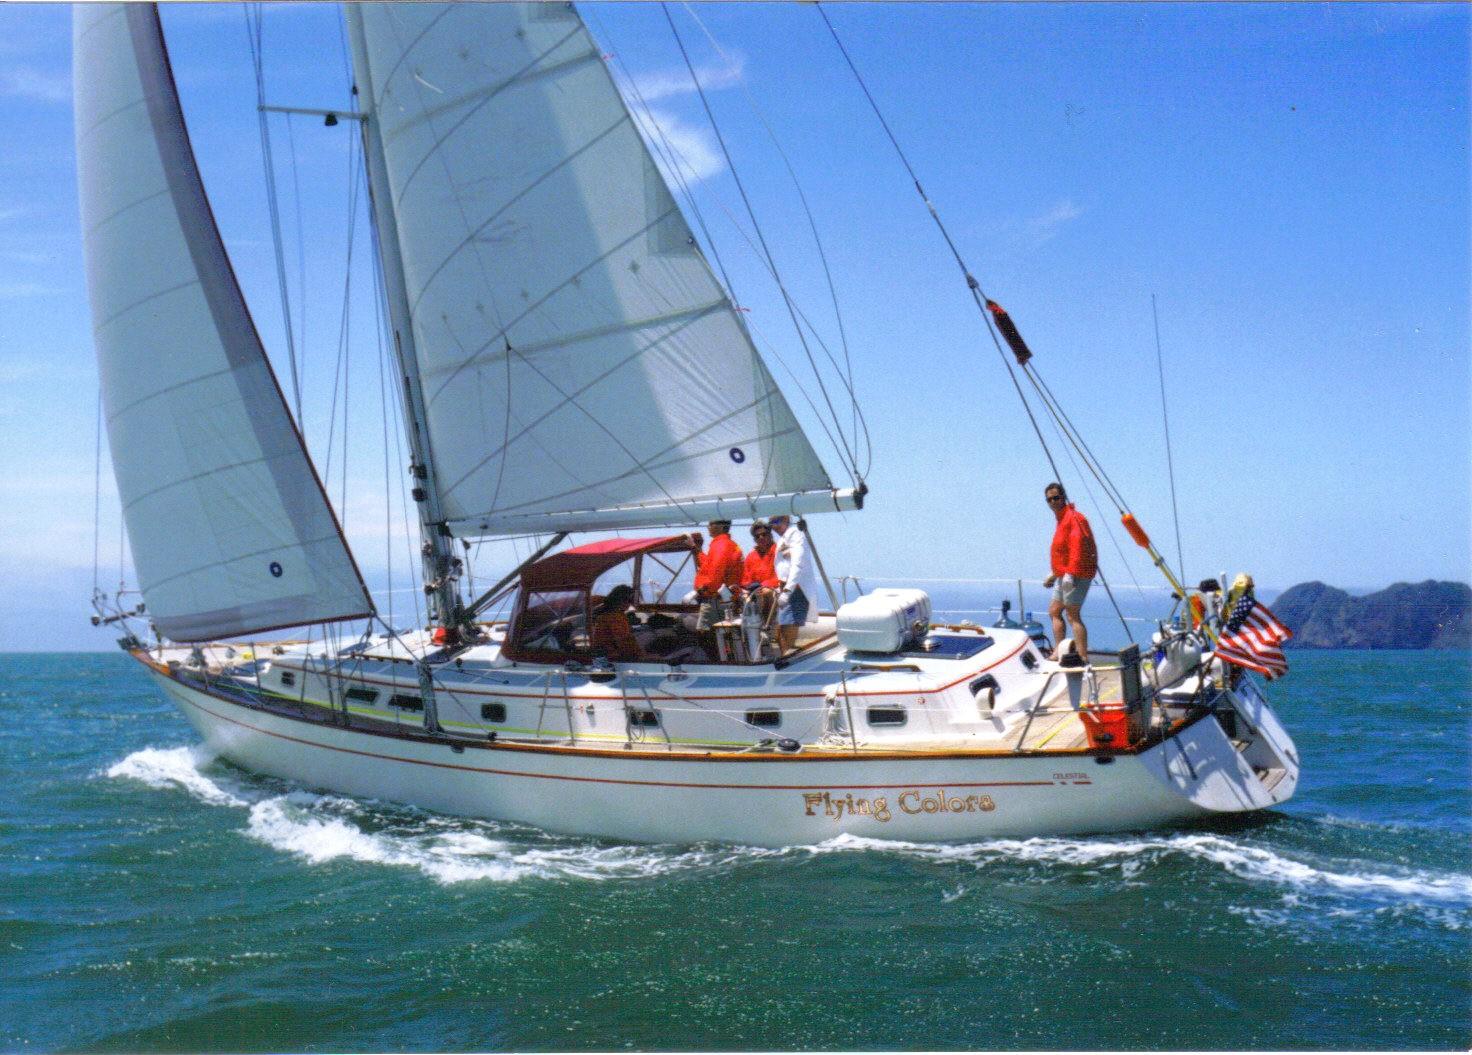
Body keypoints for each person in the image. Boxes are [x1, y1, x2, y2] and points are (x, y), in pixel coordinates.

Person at [1042, 482, 1097, 663]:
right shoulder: (1061, 519)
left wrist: (1070, 573)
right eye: (1049, 499)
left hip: (1077, 573)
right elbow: (1063, 550)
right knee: (1054, 611)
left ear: (1063, 497)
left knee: (1073, 614)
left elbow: (1077, 546)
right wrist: (1055, 572)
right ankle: (1059, 651)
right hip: (1064, 573)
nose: (1053, 502)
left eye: (1056, 498)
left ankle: (1082, 656)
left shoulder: (1074, 518)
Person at [693, 519, 744, 656]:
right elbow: (712, 565)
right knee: (722, 635)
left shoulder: (720, 545)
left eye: (711, 523)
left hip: (714, 598)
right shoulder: (728, 544)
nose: (708, 526)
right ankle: (727, 658)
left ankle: (716, 663)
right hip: (725, 598)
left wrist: (703, 589)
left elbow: (716, 575)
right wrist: (698, 550)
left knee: (704, 633)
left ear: (721, 527)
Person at [770, 513, 818, 655]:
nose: (774, 526)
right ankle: (784, 657)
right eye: (771, 523)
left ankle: (786, 663)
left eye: (776, 521)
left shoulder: (796, 535)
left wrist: (787, 591)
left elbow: (798, 565)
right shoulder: (785, 538)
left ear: (786, 520)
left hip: (795, 589)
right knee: (780, 631)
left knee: (786, 630)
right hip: (787, 588)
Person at [589, 584, 647, 662]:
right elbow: (624, 644)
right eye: (629, 600)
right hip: (614, 658)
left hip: (608, 656)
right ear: (619, 600)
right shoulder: (615, 617)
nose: (630, 604)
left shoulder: (613, 613)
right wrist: (643, 657)